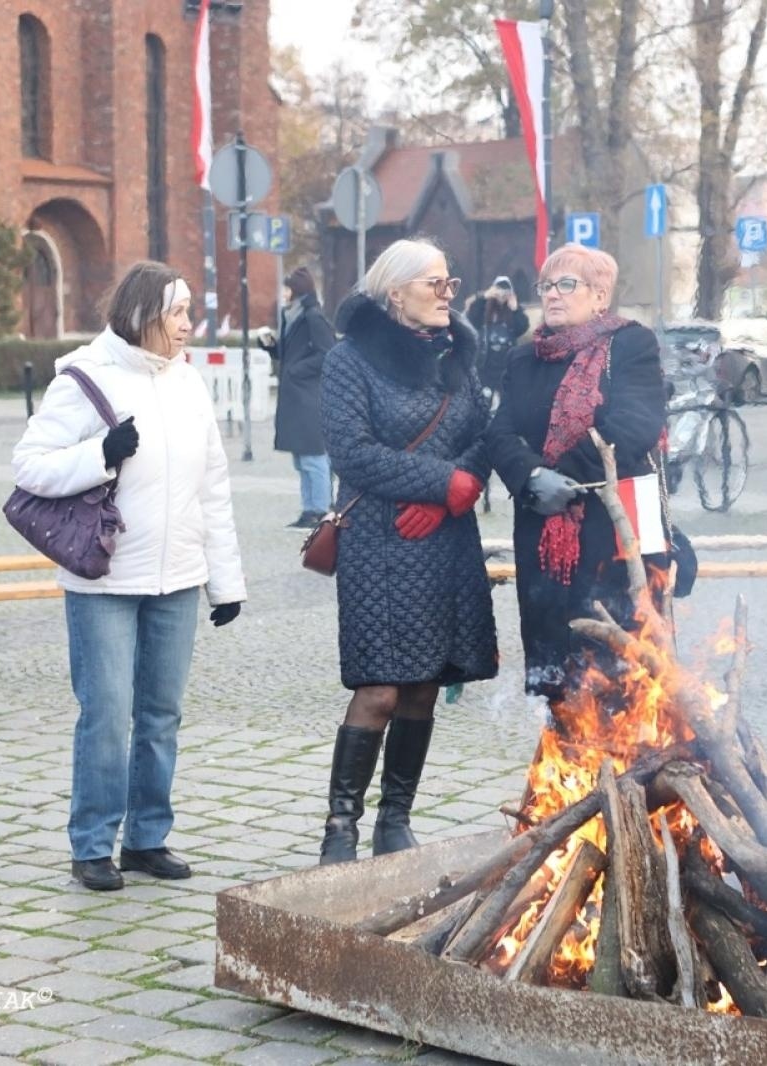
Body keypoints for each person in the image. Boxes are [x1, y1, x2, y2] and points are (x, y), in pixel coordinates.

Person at [13, 261, 247, 891]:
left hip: (177, 578)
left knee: (161, 713)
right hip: (104, 580)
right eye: (178, 312)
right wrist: (100, 454)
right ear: (144, 314)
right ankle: (92, 844)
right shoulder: (85, 377)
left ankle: (147, 837)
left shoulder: (190, 384)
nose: (187, 324)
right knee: (106, 714)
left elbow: (213, 490)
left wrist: (225, 583)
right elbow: (29, 466)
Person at [317, 237, 497, 863]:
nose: (448, 294)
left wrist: (458, 488)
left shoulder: (458, 354)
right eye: (434, 284)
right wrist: (439, 482)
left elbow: (482, 434)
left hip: (443, 538)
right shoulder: (350, 360)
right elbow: (351, 452)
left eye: (450, 283)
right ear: (395, 292)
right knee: (380, 689)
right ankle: (341, 827)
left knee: (423, 687)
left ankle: (396, 819)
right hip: (377, 542)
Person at [485, 244, 668, 702]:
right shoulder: (524, 358)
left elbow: (633, 426)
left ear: (600, 295)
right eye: (546, 285)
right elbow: (500, 430)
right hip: (543, 530)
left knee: (617, 671)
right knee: (557, 673)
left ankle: (624, 770)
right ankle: (564, 767)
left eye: (567, 284)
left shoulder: (630, 345)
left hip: (613, 526)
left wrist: (562, 475)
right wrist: (530, 477)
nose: (553, 294)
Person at [266, 266, 336, 529]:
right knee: (302, 457)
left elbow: (327, 353)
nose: (283, 293)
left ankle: (319, 510)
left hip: (308, 396)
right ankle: (310, 509)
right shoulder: (294, 316)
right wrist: (272, 348)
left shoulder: (312, 316)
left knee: (313, 456)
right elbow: (292, 353)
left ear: (297, 291)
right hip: (297, 396)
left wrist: (297, 370)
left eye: (287, 288)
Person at [465, 275, 530, 402]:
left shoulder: (512, 310)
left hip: (506, 364)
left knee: (505, 399)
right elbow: (472, 318)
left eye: (505, 291)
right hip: (486, 364)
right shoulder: (485, 308)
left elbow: (522, 327)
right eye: (499, 290)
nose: (502, 294)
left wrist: (515, 309)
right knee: (484, 399)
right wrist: (484, 297)